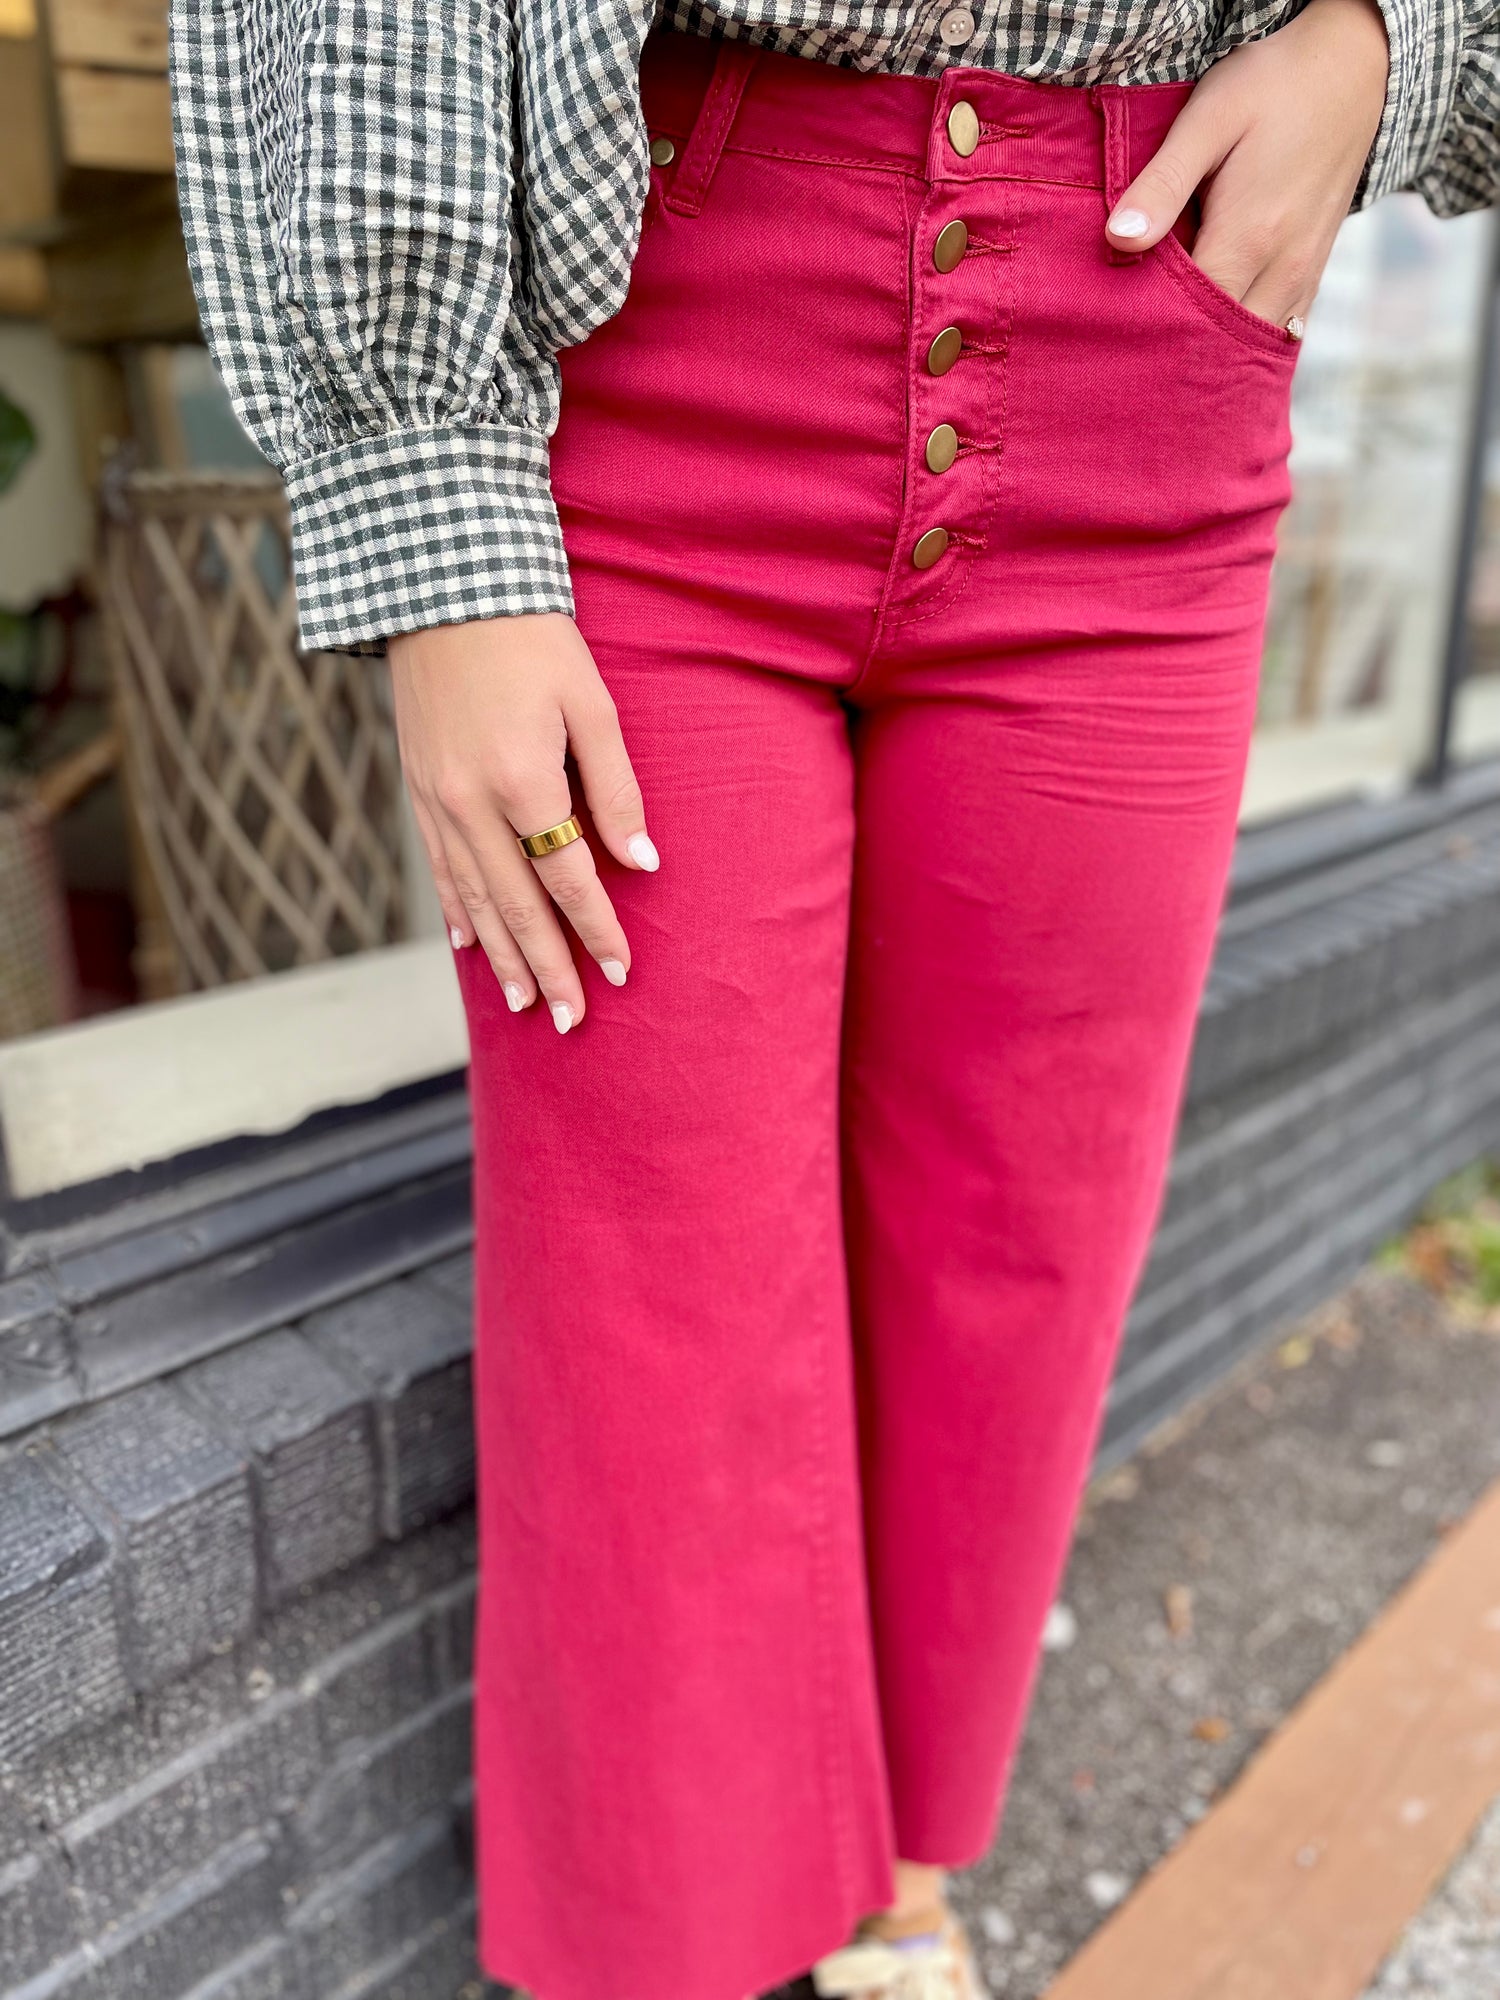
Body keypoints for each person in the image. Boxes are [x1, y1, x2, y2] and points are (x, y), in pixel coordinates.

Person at [167, 4, 1496, 1998]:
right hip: (668, 331)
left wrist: (1399, 49)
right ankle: (671, 1956)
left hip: (1144, 335)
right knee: (649, 1275)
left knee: (1020, 1238)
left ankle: (896, 1881)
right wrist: (436, 513)